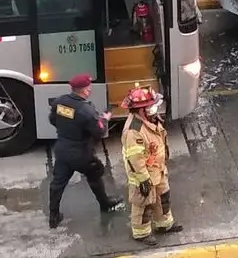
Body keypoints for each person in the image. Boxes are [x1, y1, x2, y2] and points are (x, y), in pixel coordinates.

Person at [47, 74, 123, 229]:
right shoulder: (86, 111)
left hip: (62, 149)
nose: (90, 90)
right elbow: (99, 132)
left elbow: (52, 119)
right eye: (89, 87)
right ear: (85, 91)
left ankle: (53, 216)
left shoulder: (59, 102)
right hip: (81, 153)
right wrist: (105, 119)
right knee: (95, 175)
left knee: (57, 183)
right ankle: (105, 204)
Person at [120, 84, 183, 246]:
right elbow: (135, 159)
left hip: (157, 169)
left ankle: (164, 224)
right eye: (152, 106)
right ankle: (141, 233)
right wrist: (143, 180)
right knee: (143, 205)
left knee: (162, 198)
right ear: (143, 110)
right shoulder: (134, 131)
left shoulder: (150, 120)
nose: (156, 108)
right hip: (143, 175)